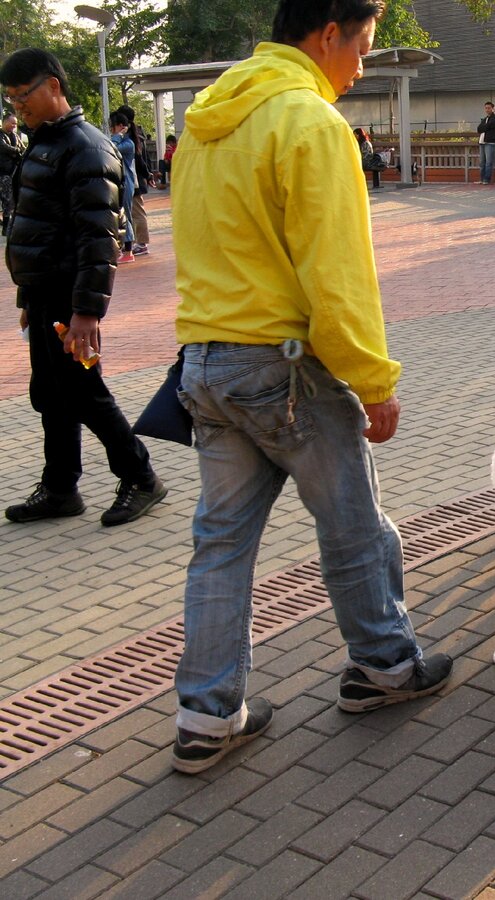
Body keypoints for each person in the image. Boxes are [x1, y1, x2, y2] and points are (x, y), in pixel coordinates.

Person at [168, 0, 452, 774]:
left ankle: (206, 714)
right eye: (361, 46)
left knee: (219, 546)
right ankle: (384, 667)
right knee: (355, 526)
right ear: (327, 35)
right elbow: (338, 275)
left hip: (205, 362)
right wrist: (373, 378)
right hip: (287, 368)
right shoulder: (310, 125)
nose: (362, 64)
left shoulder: (205, 123)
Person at [1, 48, 168, 527]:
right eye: (10, 99)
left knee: (82, 390)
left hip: (72, 299)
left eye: (23, 95)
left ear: (53, 85)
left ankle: (141, 476)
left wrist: (87, 313)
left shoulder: (86, 147)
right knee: (51, 393)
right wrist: (27, 298)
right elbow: (35, 226)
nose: (18, 107)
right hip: (45, 294)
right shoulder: (44, 141)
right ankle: (60, 487)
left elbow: (99, 239)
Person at [117, 104, 152, 255]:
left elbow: (139, 159)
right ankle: (134, 242)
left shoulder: (130, 137)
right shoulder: (135, 134)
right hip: (135, 178)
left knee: (136, 212)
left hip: (134, 179)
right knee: (132, 212)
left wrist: (147, 174)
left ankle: (142, 243)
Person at [108, 111, 136, 263]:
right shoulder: (123, 141)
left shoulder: (127, 143)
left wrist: (118, 135)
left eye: (112, 126)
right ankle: (124, 249)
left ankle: (129, 250)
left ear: (120, 126)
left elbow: (111, 148)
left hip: (126, 183)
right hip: (120, 183)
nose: (111, 129)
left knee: (127, 216)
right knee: (120, 216)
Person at [1, 112, 26, 236]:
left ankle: (9, 226)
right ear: (5, 121)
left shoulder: (15, 136)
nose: (14, 126)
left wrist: (17, 151)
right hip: (3, 173)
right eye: (12, 123)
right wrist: (16, 151)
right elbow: (3, 147)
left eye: (15, 124)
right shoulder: (1, 135)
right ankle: (6, 227)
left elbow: (23, 149)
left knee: (12, 200)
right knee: (7, 200)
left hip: (14, 172)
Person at [476, 100, 495, 184]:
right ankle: (482, 179)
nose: (487, 110)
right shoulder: (485, 119)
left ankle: (486, 179)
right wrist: (485, 127)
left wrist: (485, 127)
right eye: (486, 108)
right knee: (482, 162)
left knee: (489, 162)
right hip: (482, 142)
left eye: (489, 108)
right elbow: (479, 129)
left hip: (490, 142)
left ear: (493, 109)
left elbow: (491, 125)